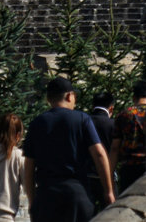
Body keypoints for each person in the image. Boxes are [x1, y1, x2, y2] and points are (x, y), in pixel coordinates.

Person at [22, 77, 114, 221]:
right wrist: (108, 191)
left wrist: (33, 201)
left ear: (48, 99)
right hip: (76, 193)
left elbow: (28, 167)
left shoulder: (37, 123)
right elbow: (99, 154)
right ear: (69, 96)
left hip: (46, 196)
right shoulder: (82, 119)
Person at [109, 82, 146, 196]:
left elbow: (115, 147)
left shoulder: (124, 115)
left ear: (134, 97)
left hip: (129, 168)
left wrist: (110, 176)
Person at [86, 94, 115, 212]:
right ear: (111, 108)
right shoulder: (112, 124)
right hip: (107, 175)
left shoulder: (85, 122)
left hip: (86, 176)